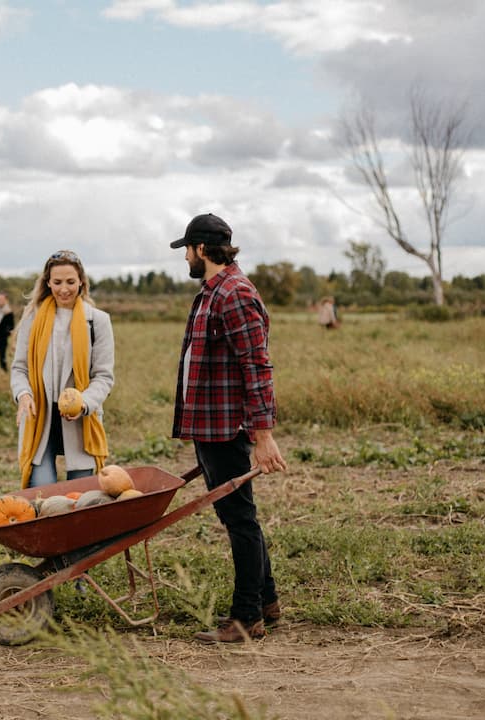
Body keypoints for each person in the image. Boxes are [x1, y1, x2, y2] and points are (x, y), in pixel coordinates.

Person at [169, 213, 288, 643]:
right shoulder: (211, 291)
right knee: (239, 515)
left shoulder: (234, 294)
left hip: (225, 426)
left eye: (187, 248)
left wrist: (263, 434)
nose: (185, 256)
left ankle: (246, 617)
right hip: (208, 424)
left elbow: (256, 366)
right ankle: (267, 601)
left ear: (202, 249)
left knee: (239, 519)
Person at [11, 250, 115, 488]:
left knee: (80, 496)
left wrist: (85, 403)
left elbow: (103, 376)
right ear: (48, 283)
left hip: (81, 420)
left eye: (70, 282)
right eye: (57, 282)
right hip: (40, 416)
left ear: (81, 282)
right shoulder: (32, 320)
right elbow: (19, 369)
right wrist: (23, 394)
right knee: (42, 491)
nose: (64, 289)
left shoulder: (98, 321)